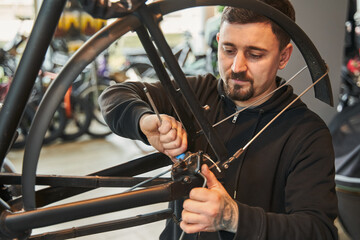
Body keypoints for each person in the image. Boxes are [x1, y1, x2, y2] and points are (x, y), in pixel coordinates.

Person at [99, 0, 338, 239]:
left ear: (283, 57)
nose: (237, 67)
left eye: (255, 54)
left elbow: (318, 230)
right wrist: (143, 121)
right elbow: (114, 96)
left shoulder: (307, 134)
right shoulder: (197, 93)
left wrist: (234, 218)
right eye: (228, 50)